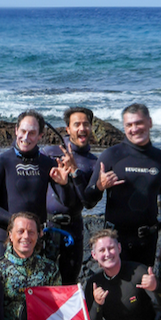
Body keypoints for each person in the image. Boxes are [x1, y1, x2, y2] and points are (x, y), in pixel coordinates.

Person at [86, 104, 161, 268]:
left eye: (139, 123)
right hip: (116, 241)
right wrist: (100, 186)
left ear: (150, 122)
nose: (134, 129)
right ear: (124, 126)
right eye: (129, 125)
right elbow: (88, 202)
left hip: (148, 240)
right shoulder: (111, 155)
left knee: (141, 291)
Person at [0, 110, 74, 257]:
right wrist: (15, 222)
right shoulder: (1, 162)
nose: (25, 137)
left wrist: (64, 184)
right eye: (22, 131)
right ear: (16, 130)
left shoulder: (47, 163)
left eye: (32, 133)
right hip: (7, 238)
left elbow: (67, 203)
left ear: (40, 136)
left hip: (36, 239)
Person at [41, 107, 99, 283]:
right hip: (47, 225)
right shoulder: (48, 153)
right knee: (43, 282)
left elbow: (88, 202)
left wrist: (75, 171)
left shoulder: (93, 163)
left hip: (74, 227)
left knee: (69, 281)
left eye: (86, 124)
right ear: (67, 129)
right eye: (77, 124)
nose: (82, 128)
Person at [0, 212, 61, 320]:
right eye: (20, 231)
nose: (26, 236)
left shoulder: (49, 269)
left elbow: (58, 308)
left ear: (39, 235)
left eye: (31, 232)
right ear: (10, 235)